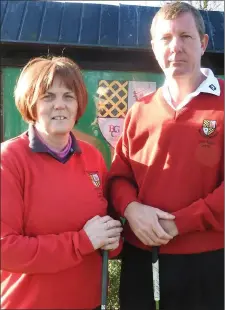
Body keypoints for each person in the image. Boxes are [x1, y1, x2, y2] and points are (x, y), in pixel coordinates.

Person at [107, 2, 224, 310]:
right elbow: (119, 176)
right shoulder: (139, 111)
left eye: (185, 36)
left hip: (208, 265)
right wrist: (130, 209)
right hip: (140, 261)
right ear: (154, 47)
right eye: (166, 39)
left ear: (203, 43)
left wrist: (180, 224)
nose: (176, 47)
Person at [1, 56, 123, 310]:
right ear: (31, 104)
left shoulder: (93, 158)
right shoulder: (9, 160)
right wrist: (82, 242)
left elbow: (106, 229)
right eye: (48, 97)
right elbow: (6, 249)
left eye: (68, 96)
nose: (60, 105)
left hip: (89, 303)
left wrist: (112, 241)